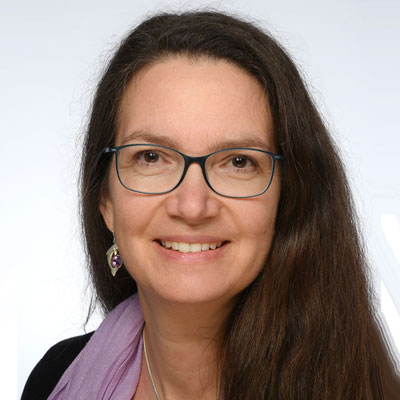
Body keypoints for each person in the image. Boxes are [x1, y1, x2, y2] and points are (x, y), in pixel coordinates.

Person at [22, 10, 400, 400]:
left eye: (238, 162)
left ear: (288, 198)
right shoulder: (57, 378)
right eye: (151, 157)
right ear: (106, 200)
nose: (192, 206)